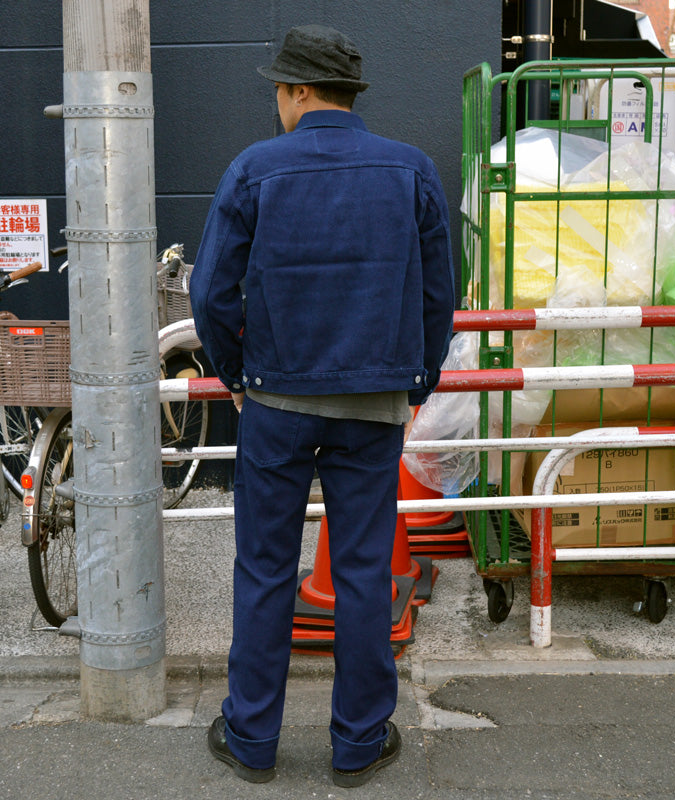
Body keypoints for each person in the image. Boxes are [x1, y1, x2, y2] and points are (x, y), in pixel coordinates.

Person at [190, 23, 455, 787]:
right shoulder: (411, 170)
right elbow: (440, 294)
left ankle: (251, 741)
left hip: (275, 399)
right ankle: (357, 744)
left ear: (299, 92)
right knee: (365, 570)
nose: (277, 102)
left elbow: (211, 292)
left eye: (279, 90)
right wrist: (417, 381)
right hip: (373, 402)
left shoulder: (254, 169)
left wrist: (237, 375)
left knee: (266, 569)